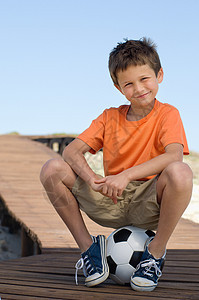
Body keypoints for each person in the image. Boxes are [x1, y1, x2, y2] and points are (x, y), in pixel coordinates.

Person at [40, 38, 193, 292]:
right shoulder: (109, 117)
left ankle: (154, 255)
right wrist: (92, 180)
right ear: (118, 87)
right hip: (111, 198)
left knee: (181, 172)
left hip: (149, 201)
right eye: (129, 84)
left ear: (160, 75)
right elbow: (71, 151)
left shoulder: (168, 114)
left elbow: (174, 156)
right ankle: (90, 250)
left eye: (145, 79)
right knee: (51, 169)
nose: (139, 88)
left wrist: (126, 175)